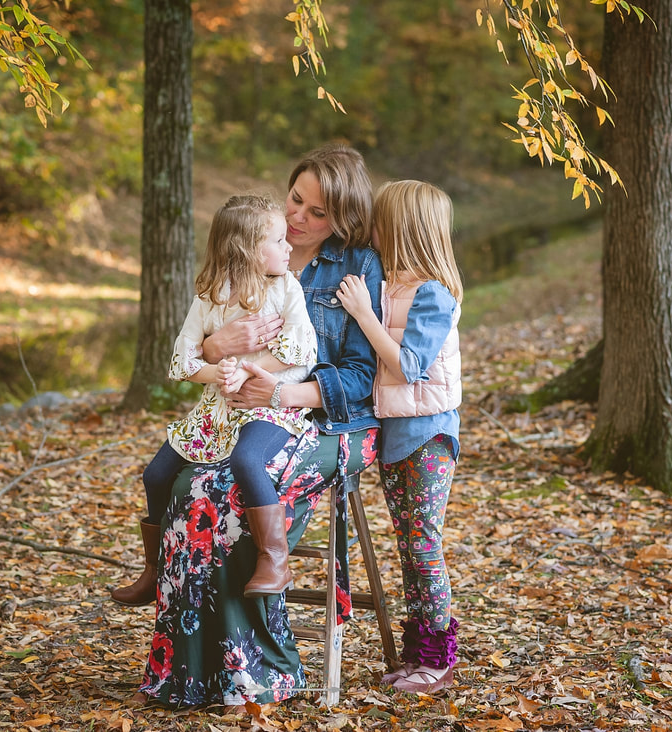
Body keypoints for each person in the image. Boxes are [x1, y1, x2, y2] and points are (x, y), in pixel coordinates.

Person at [131, 144, 386, 708]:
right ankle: (186, 671)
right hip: (239, 413)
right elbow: (197, 344)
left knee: (221, 494)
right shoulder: (250, 244)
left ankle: (256, 671)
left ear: (341, 220)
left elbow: (363, 375)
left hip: (328, 422)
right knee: (184, 485)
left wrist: (283, 389)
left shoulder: (358, 267)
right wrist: (213, 347)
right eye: (296, 200)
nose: (298, 219)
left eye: (317, 214)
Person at [111, 194, 317, 606]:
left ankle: (274, 559)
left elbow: (301, 347)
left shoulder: (286, 288)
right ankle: (153, 570)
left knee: (246, 460)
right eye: (279, 240)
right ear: (248, 250)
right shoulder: (210, 296)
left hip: (268, 402)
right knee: (155, 475)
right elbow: (182, 358)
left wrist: (246, 371)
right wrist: (218, 371)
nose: (289, 246)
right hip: (218, 407)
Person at [335, 180, 462, 695]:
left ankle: (438, 654)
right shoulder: (390, 282)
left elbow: (410, 367)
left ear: (404, 228)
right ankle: (417, 653)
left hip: (428, 434)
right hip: (394, 432)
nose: (372, 231)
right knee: (408, 544)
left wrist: (364, 315)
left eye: (380, 222)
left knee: (424, 542)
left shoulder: (434, 293)